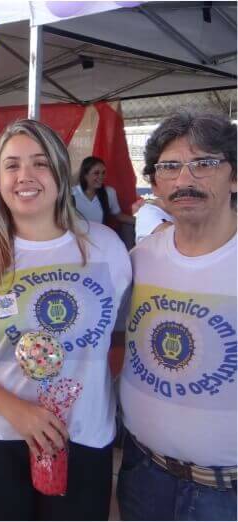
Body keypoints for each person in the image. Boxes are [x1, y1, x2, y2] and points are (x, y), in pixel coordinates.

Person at [0, 119, 131, 520]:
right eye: (12, 165)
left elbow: (119, 334)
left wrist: (88, 395)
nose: (25, 176)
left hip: (82, 437)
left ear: (60, 173)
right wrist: (17, 411)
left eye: (39, 163)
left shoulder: (105, 246)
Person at [117, 112, 237, 521]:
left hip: (226, 494)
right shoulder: (137, 261)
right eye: (170, 167)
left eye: (204, 163)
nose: (185, 179)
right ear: (155, 184)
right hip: (144, 474)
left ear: (234, 177)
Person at [72, 156, 134, 225]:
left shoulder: (109, 193)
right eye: (96, 173)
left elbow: (119, 216)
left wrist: (141, 221)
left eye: (103, 173)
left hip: (101, 235)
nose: (101, 177)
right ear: (85, 175)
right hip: (77, 235)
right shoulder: (71, 194)